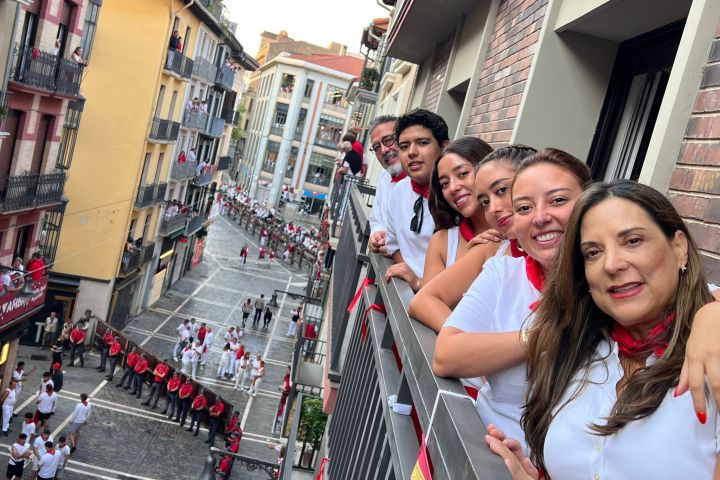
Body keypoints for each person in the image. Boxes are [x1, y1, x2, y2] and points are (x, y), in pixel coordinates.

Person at [490, 180, 720, 478]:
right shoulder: (578, 351)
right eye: (593, 252)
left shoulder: (711, 352)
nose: (611, 264)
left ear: (679, 247)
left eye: (633, 241)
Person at [434, 148, 591, 450]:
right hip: (483, 448)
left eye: (558, 200)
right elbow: (446, 354)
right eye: (524, 208)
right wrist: (541, 337)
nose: (541, 217)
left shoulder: (613, 282)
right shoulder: (503, 269)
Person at [409, 145, 538, 332]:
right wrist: (469, 343)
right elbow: (423, 301)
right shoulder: (490, 247)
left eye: (501, 190)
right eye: (485, 201)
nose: (453, 187)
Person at [384, 109, 449, 291]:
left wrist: (420, 283)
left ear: (444, 147)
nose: (412, 152)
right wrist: (409, 278)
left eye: (422, 143)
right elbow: (393, 244)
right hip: (405, 297)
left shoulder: (458, 197)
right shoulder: (399, 191)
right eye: (404, 147)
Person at [422, 137, 494, 284]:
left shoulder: (519, 234)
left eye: (462, 174)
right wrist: (473, 260)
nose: (453, 188)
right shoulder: (442, 242)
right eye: (445, 183)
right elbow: (422, 303)